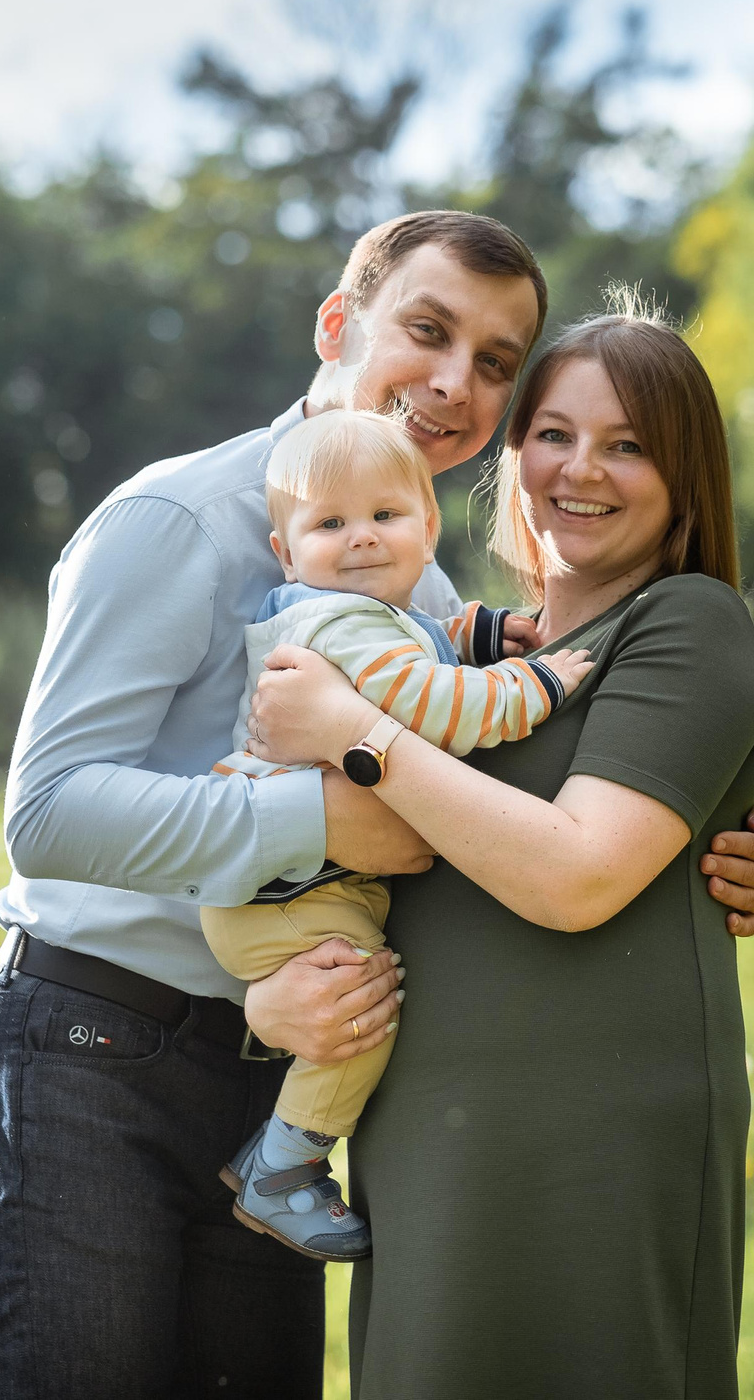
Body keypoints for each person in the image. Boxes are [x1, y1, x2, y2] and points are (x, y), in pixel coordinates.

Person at [0, 211, 754, 1400]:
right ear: (340, 325)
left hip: (287, 1075)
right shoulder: (176, 520)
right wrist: (324, 824)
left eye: (497, 365)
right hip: (98, 1059)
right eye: (429, 332)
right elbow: (47, 816)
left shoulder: (419, 581)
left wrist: (706, 835)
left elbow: (513, 801)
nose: (455, 383)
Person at [247, 304, 754, 1399]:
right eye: (554, 434)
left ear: (686, 476)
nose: (582, 469)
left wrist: (355, 734)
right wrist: (267, 996)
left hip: (590, 1142)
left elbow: (576, 873)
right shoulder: (468, 651)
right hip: (430, 1142)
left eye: (629, 445)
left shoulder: (684, 623)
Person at [199, 408, 595, 1262]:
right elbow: (434, 707)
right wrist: (537, 683)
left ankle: (286, 1161)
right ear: (286, 550)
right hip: (294, 896)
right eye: (329, 523)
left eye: (384, 517)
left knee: (354, 1005)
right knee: (359, 1017)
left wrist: (479, 634)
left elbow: (418, 650)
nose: (362, 540)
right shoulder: (338, 625)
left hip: (280, 881)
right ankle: (284, 1165)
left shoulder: (355, 618)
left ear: (427, 526)